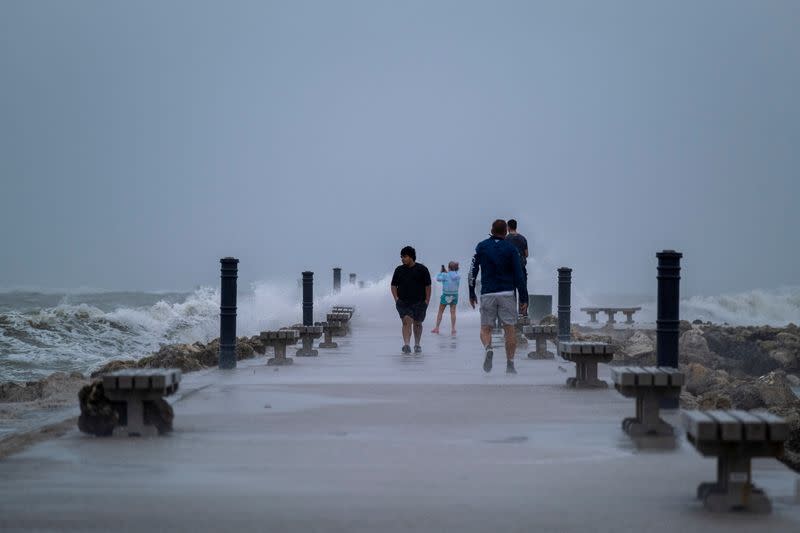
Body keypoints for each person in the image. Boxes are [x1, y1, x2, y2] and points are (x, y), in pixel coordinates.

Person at [468, 219, 528, 374]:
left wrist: (471, 292)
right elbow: (519, 275)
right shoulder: (511, 248)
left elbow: (472, 271)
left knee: (485, 328)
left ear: (491, 230)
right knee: (509, 329)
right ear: (505, 232)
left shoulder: (481, 246)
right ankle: (510, 363)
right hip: (507, 293)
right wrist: (524, 298)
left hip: (488, 293)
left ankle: (488, 348)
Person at [391, 245, 432, 354]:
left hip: (419, 302)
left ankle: (417, 344)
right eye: (401, 257)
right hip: (403, 302)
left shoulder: (422, 269)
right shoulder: (399, 270)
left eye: (404, 256)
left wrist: (427, 301)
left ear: (411, 257)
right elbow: (393, 285)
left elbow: (428, 286)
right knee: (406, 321)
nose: (402, 259)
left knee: (418, 323)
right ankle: (407, 344)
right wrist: (396, 298)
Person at [505, 219, 529, 316]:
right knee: (523, 290)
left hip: (510, 270)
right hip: (521, 268)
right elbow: (527, 254)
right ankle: (523, 313)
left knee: (511, 292)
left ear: (508, 227)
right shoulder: (523, 238)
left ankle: (512, 313)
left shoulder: (506, 239)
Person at [431, 261, 460, 336]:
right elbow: (453, 275)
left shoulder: (445, 275)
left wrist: (441, 272)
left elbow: (437, 278)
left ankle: (437, 328)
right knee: (453, 312)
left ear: (449, 267)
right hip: (454, 295)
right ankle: (453, 329)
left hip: (446, 295)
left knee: (440, 311)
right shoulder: (458, 275)